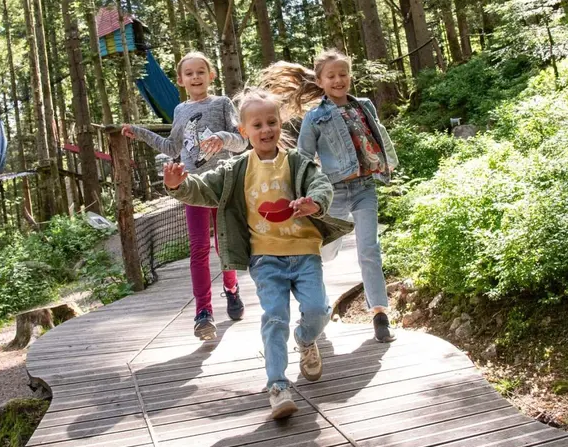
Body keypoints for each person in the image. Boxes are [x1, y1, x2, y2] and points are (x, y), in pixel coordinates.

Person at [164, 88, 353, 419]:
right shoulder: (236, 169)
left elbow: (320, 184)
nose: (265, 130)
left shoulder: (297, 161)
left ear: (279, 125)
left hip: (305, 252)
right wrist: (178, 186)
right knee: (274, 317)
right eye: (257, 125)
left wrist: (315, 202)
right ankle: (277, 386)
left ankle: (306, 338)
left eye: (271, 123)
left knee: (318, 310)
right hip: (265, 258)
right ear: (244, 131)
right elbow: (203, 188)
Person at [124, 51, 249, 340]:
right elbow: (171, 148)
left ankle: (231, 289)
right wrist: (140, 132)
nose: (195, 77)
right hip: (193, 187)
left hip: (222, 184)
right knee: (198, 249)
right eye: (189, 73)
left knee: (224, 246)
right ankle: (203, 312)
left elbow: (241, 141)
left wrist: (223, 138)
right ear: (181, 80)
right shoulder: (180, 111)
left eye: (201, 71)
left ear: (211, 75)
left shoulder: (222, 103)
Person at [287, 50, 399, 343]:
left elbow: (378, 137)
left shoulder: (364, 106)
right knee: (325, 252)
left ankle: (379, 314)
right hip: (332, 193)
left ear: (350, 75)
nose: (339, 80)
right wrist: (305, 193)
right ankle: (314, 307)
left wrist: (387, 165)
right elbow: (302, 157)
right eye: (331, 76)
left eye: (343, 74)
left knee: (369, 249)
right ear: (321, 81)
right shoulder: (315, 117)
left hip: (364, 188)